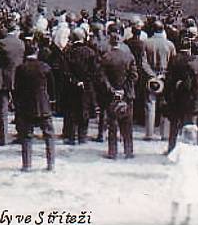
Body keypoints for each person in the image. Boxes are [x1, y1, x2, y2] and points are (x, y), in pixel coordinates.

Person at [14, 41, 56, 172]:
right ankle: (50, 163)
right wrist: (52, 101)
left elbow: (17, 89)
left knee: (26, 136)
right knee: (49, 135)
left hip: (26, 106)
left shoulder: (21, 68)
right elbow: (52, 88)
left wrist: (17, 104)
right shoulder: (45, 67)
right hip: (43, 105)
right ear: (37, 51)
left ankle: (27, 164)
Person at [100, 32, 138, 160]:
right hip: (127, 95)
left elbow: (102, 78)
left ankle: (113, 152)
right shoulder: (129, 57)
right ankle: (128, 150)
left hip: (111, 96)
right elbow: (134, 76)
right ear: (120, 41)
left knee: (112, 124)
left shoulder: (106, 57)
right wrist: (124, 90)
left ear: (111, 42)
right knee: (127, 124)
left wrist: (112, 90)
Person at [62, 27, 99, 145]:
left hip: (72, 85)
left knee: (72, 110)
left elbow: (65, 70)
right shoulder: (90, 52)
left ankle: (71, 136)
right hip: (87, 86)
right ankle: (82, 136)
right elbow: (94, 71)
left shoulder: (68, 52)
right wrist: (86, 81)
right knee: (84, 111)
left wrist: (75, 81)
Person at [166, 124, 198, 225]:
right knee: (190, 199)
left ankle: (173, 218)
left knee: (176, 198)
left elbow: (171, 158)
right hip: (192, 177)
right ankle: (189, 218)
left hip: (179, 175)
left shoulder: (180, 148)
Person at [143, 21, 175, 141]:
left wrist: (152, 75)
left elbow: (143, 62)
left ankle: (149, 133)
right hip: (165, 77)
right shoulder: (170, 45)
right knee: (165, 104)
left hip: (151, 77)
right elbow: (173, 62)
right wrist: (163, 75)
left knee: (150, 105)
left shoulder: (146, 43)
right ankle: (165, 134)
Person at [0, 25, 25, 146]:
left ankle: (3, 137)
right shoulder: (21, 43)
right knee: (20, 108)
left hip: (2, 78)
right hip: (18, 77)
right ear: (16, 30)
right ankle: (21, 134)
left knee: (3, 110)